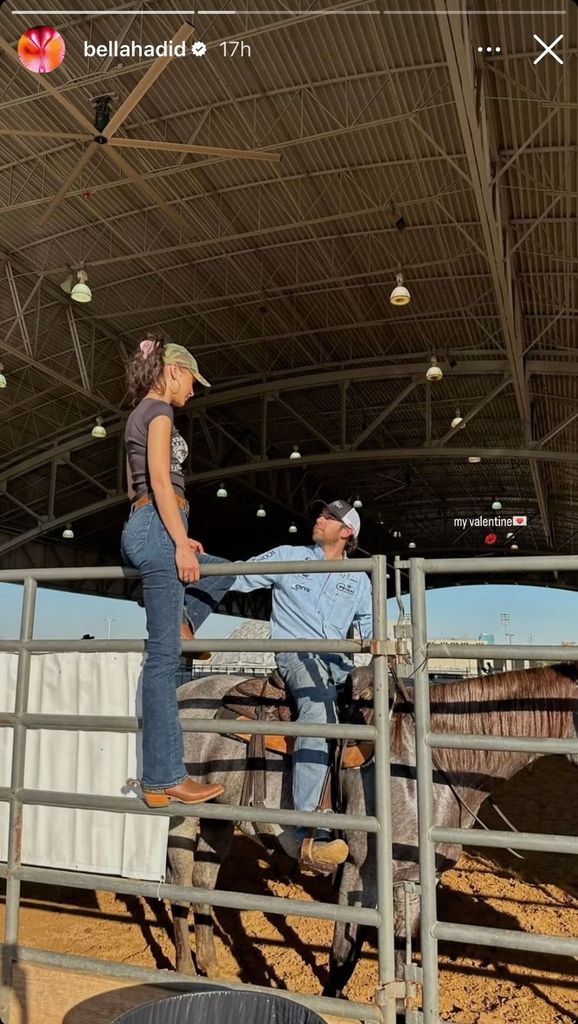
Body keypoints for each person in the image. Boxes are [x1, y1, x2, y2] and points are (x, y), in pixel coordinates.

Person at [183, 500, 372, 872]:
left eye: (329, 518)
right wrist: (194, 557)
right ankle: (308, 831)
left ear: (346, 532)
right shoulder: (288, 556)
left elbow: (369, 626)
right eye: (320, 514)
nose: (318, 519)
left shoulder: (360, 579)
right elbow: (236, 576)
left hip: (340, 663)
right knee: (317, 711)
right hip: (297, 658)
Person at [120, 331, 224, 809]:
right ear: (174, 372)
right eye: (191, 381)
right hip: (160, 528)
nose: (193, 391)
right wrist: (177, 540)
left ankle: (186, 623)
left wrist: (177, 531)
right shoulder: (159, 411)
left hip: (154, 523)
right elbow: (160, 479)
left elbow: (136, 488)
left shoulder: (137, 416)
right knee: (163, 662)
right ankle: (164, 776)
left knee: (222, 570)